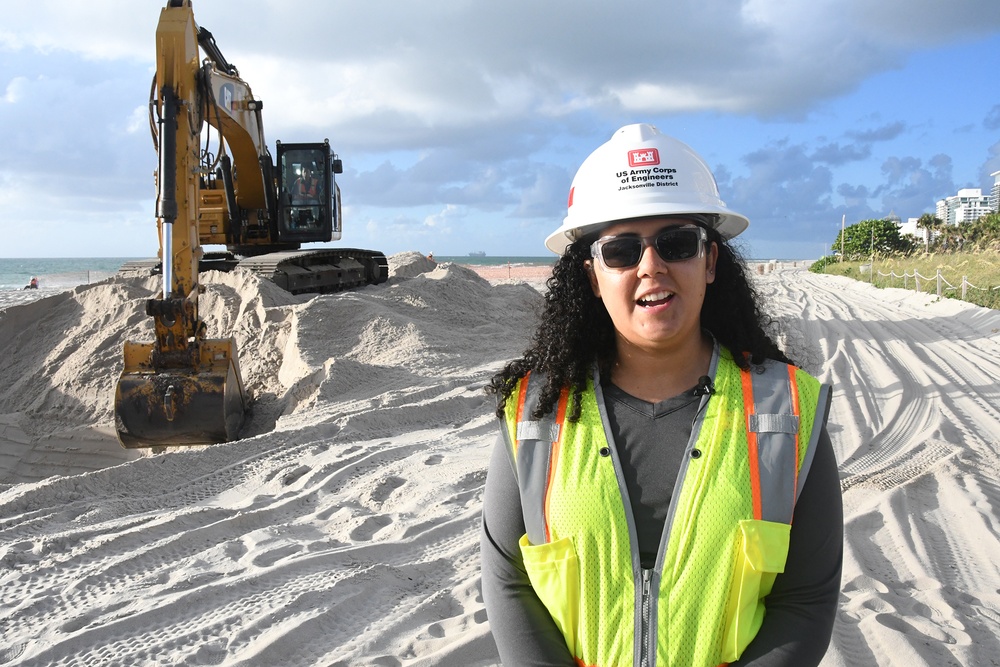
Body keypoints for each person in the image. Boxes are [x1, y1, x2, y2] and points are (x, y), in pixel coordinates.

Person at [480, 123, 843, 666]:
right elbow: (510, 585)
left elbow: (806, 600)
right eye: (622, 251)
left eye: (677, 243)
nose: (651, 265)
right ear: (592, 277)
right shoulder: (536, 412)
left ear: (711, 261)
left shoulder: (788, 411)